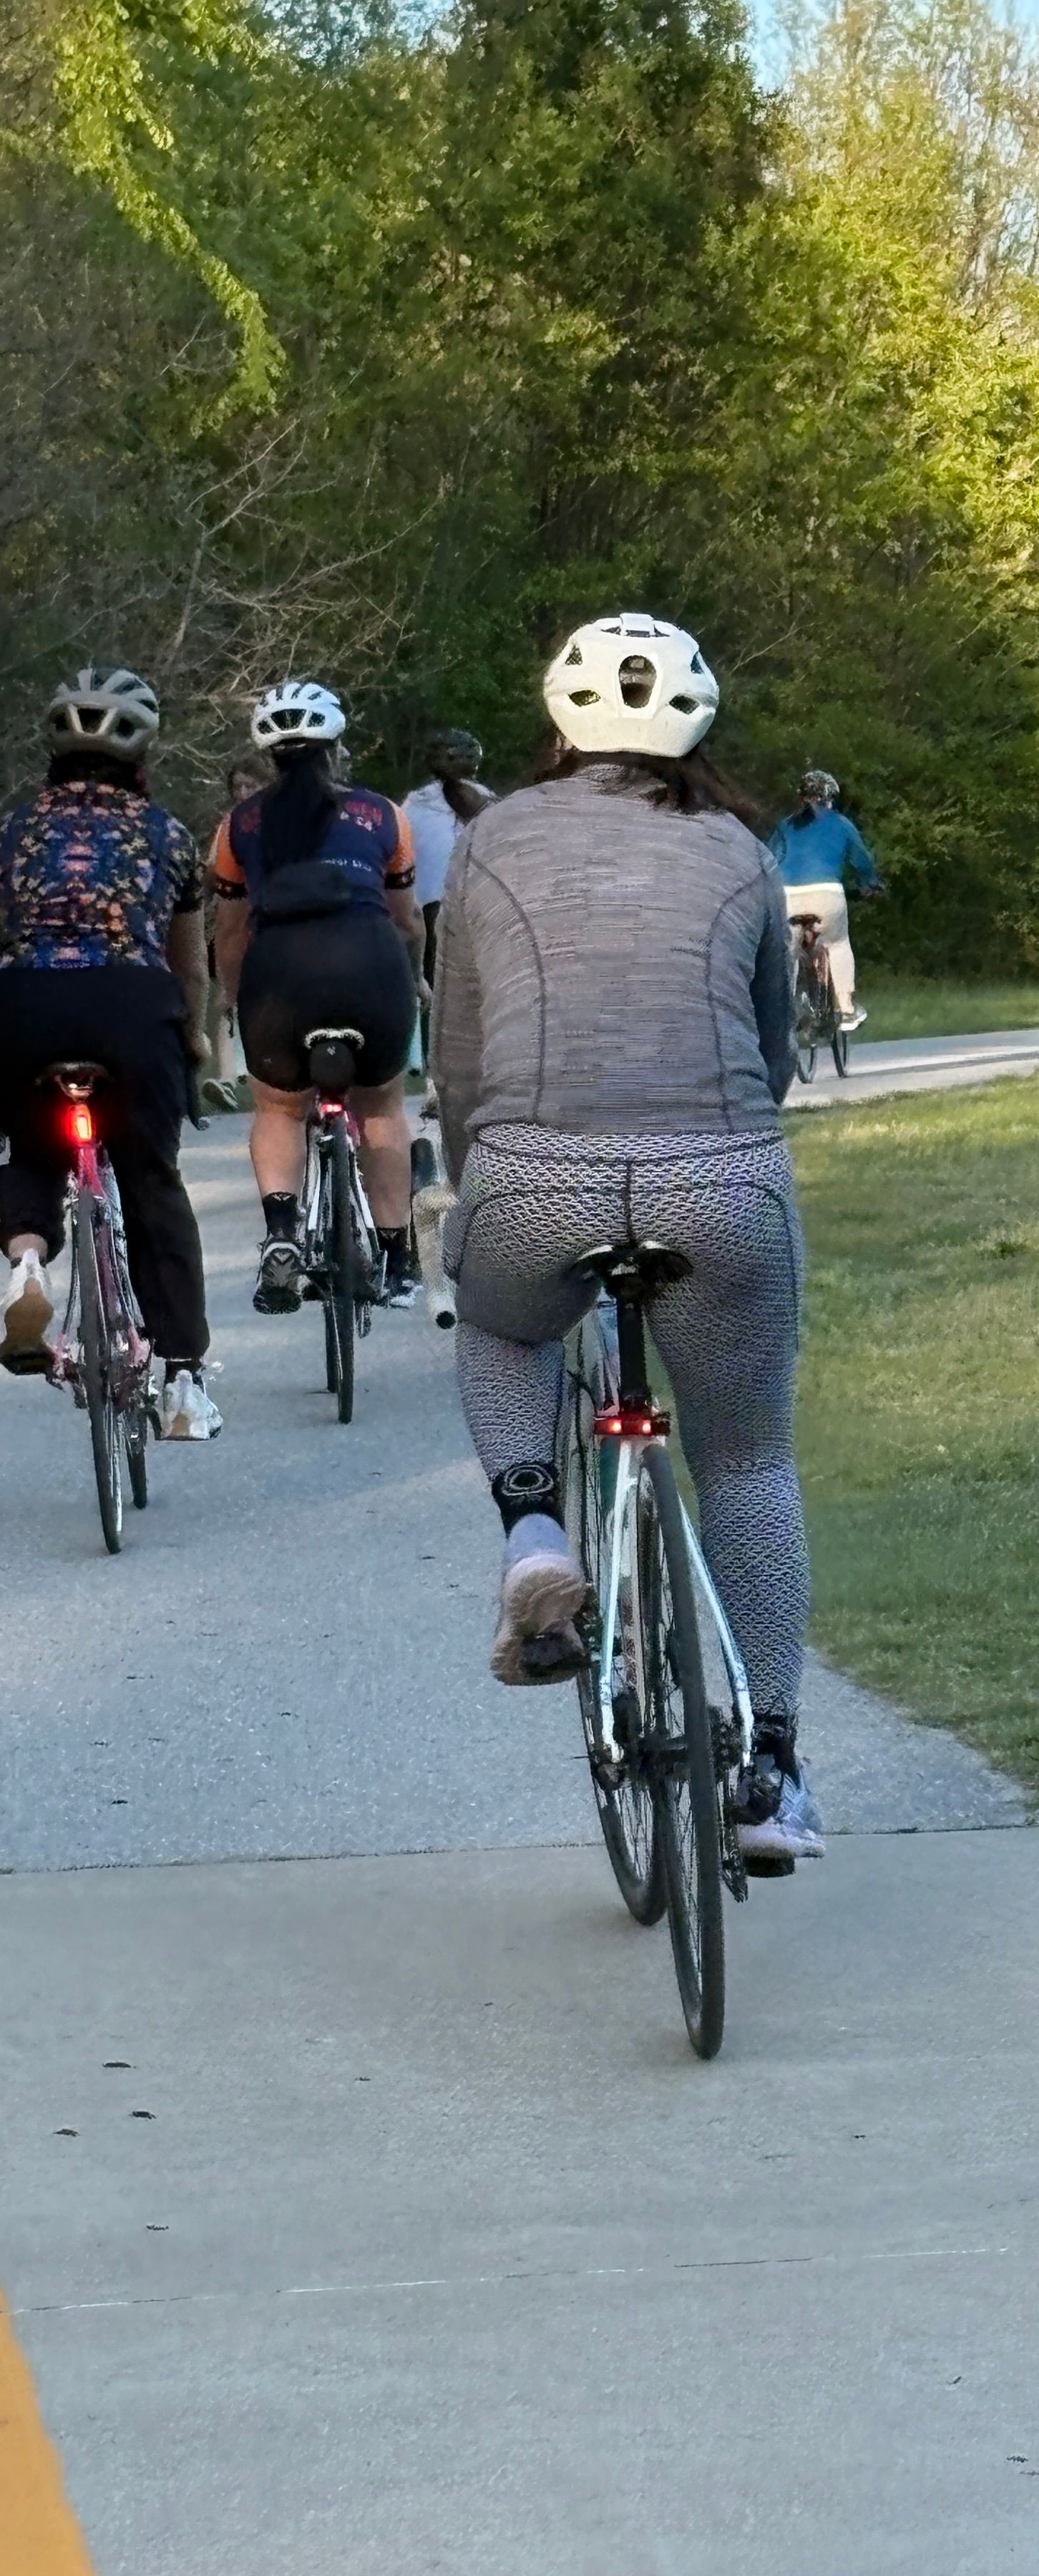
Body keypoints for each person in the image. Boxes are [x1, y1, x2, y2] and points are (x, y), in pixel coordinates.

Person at [431, 609, 820, 1867]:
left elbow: (459, 1063)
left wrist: (465, 1185)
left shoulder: (486, 842)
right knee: (748, 1463)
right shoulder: (739, 849)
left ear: (557, 721)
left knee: (498, 1325)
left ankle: (535, 1528)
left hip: (534, 1179)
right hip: (721, 1182)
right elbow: (768, 1054)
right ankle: (770, 1768)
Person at [0, 667, 223, 1441]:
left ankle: (26, 1262)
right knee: (152, 1180)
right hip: (133, 1008)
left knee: (30, 1157)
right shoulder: (169, 835)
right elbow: (189, 964)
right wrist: (194, 1037)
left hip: (26, 1006)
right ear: (141, 755)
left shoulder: (12, 830)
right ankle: (185, 1380)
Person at [210, 681, 424, 1313]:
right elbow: (407, 921)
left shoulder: (238, 825)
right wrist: (413, 978)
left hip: (281, 977)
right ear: (337, 747)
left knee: (278, 1108)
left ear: (268, 755)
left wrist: (231, 997)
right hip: (370, 967)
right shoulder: (383, 815)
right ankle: (397, 1258)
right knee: (381, 1106)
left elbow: (229, 932)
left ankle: (281, 1234)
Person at [766, 769, 881, 1030]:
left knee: (788, 952)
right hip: (827, 895)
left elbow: (767, 858)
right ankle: (846, 1009)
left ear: (801, 799)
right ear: (831, 799)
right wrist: (869, 883)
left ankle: (785, 1008)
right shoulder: (840, 823)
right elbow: (862, 861)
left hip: (786, 896)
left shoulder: (784, 825)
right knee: (837, 942)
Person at [401, 729, 494, 991]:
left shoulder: (412, 805)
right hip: (469, 904)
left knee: (432, 987)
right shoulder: (483, 801)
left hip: (421, 908)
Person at [202, 758, 267, 1108]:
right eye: (237, 787)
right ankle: (228, 1077)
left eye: (251, 786)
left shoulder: (278, 820)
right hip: (236, 922)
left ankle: (254, 1072)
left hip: (269, 922)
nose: (243, 793)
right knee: (228, 998)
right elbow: (213, 876)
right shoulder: (229, 825)